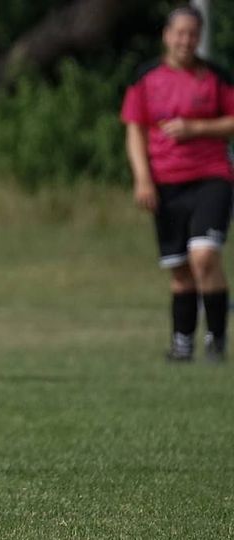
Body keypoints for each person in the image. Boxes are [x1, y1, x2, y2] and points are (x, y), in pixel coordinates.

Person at [121, 6, 234, 363]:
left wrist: (195, 128)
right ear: (167, 36)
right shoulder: (146, 78)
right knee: (180, 267)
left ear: (199, 38)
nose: (186, 41)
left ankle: (216, 340)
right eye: (180, 33)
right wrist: (142, 178)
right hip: (166, 183)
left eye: (193, 34)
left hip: (212, 177)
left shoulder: (215, 77)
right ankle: (181, 345)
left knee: (204, 256)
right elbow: (135, 129)